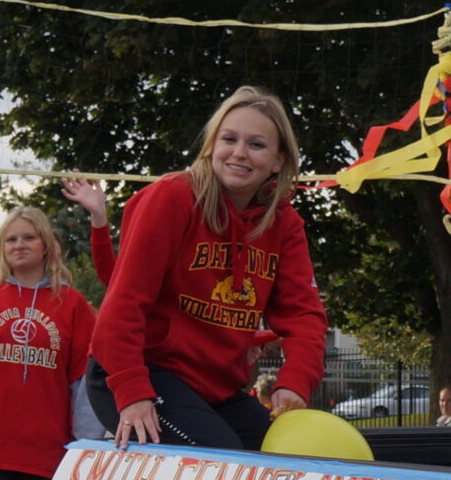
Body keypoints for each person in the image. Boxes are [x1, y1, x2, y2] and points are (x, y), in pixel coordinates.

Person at [87, 86, 330, 450]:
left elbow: (304, 314)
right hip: (143, 373)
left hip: (214, 389)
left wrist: (295, 380)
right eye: (229, 139)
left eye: (256, 145)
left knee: (291, 456)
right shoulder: (171, 198)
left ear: (279, 161)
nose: (239, 153)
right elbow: (123, 303)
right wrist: (132, 390)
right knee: (223, 463)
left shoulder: (284, 222)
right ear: (212, 146)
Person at [0, 206, 100, 480]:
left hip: (47, 449)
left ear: (46, 245)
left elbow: (84, 383)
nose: (19, 245)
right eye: (11, 240)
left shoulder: (73, 304)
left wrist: (85, 446)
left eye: (29, 238)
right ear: (1, 248)